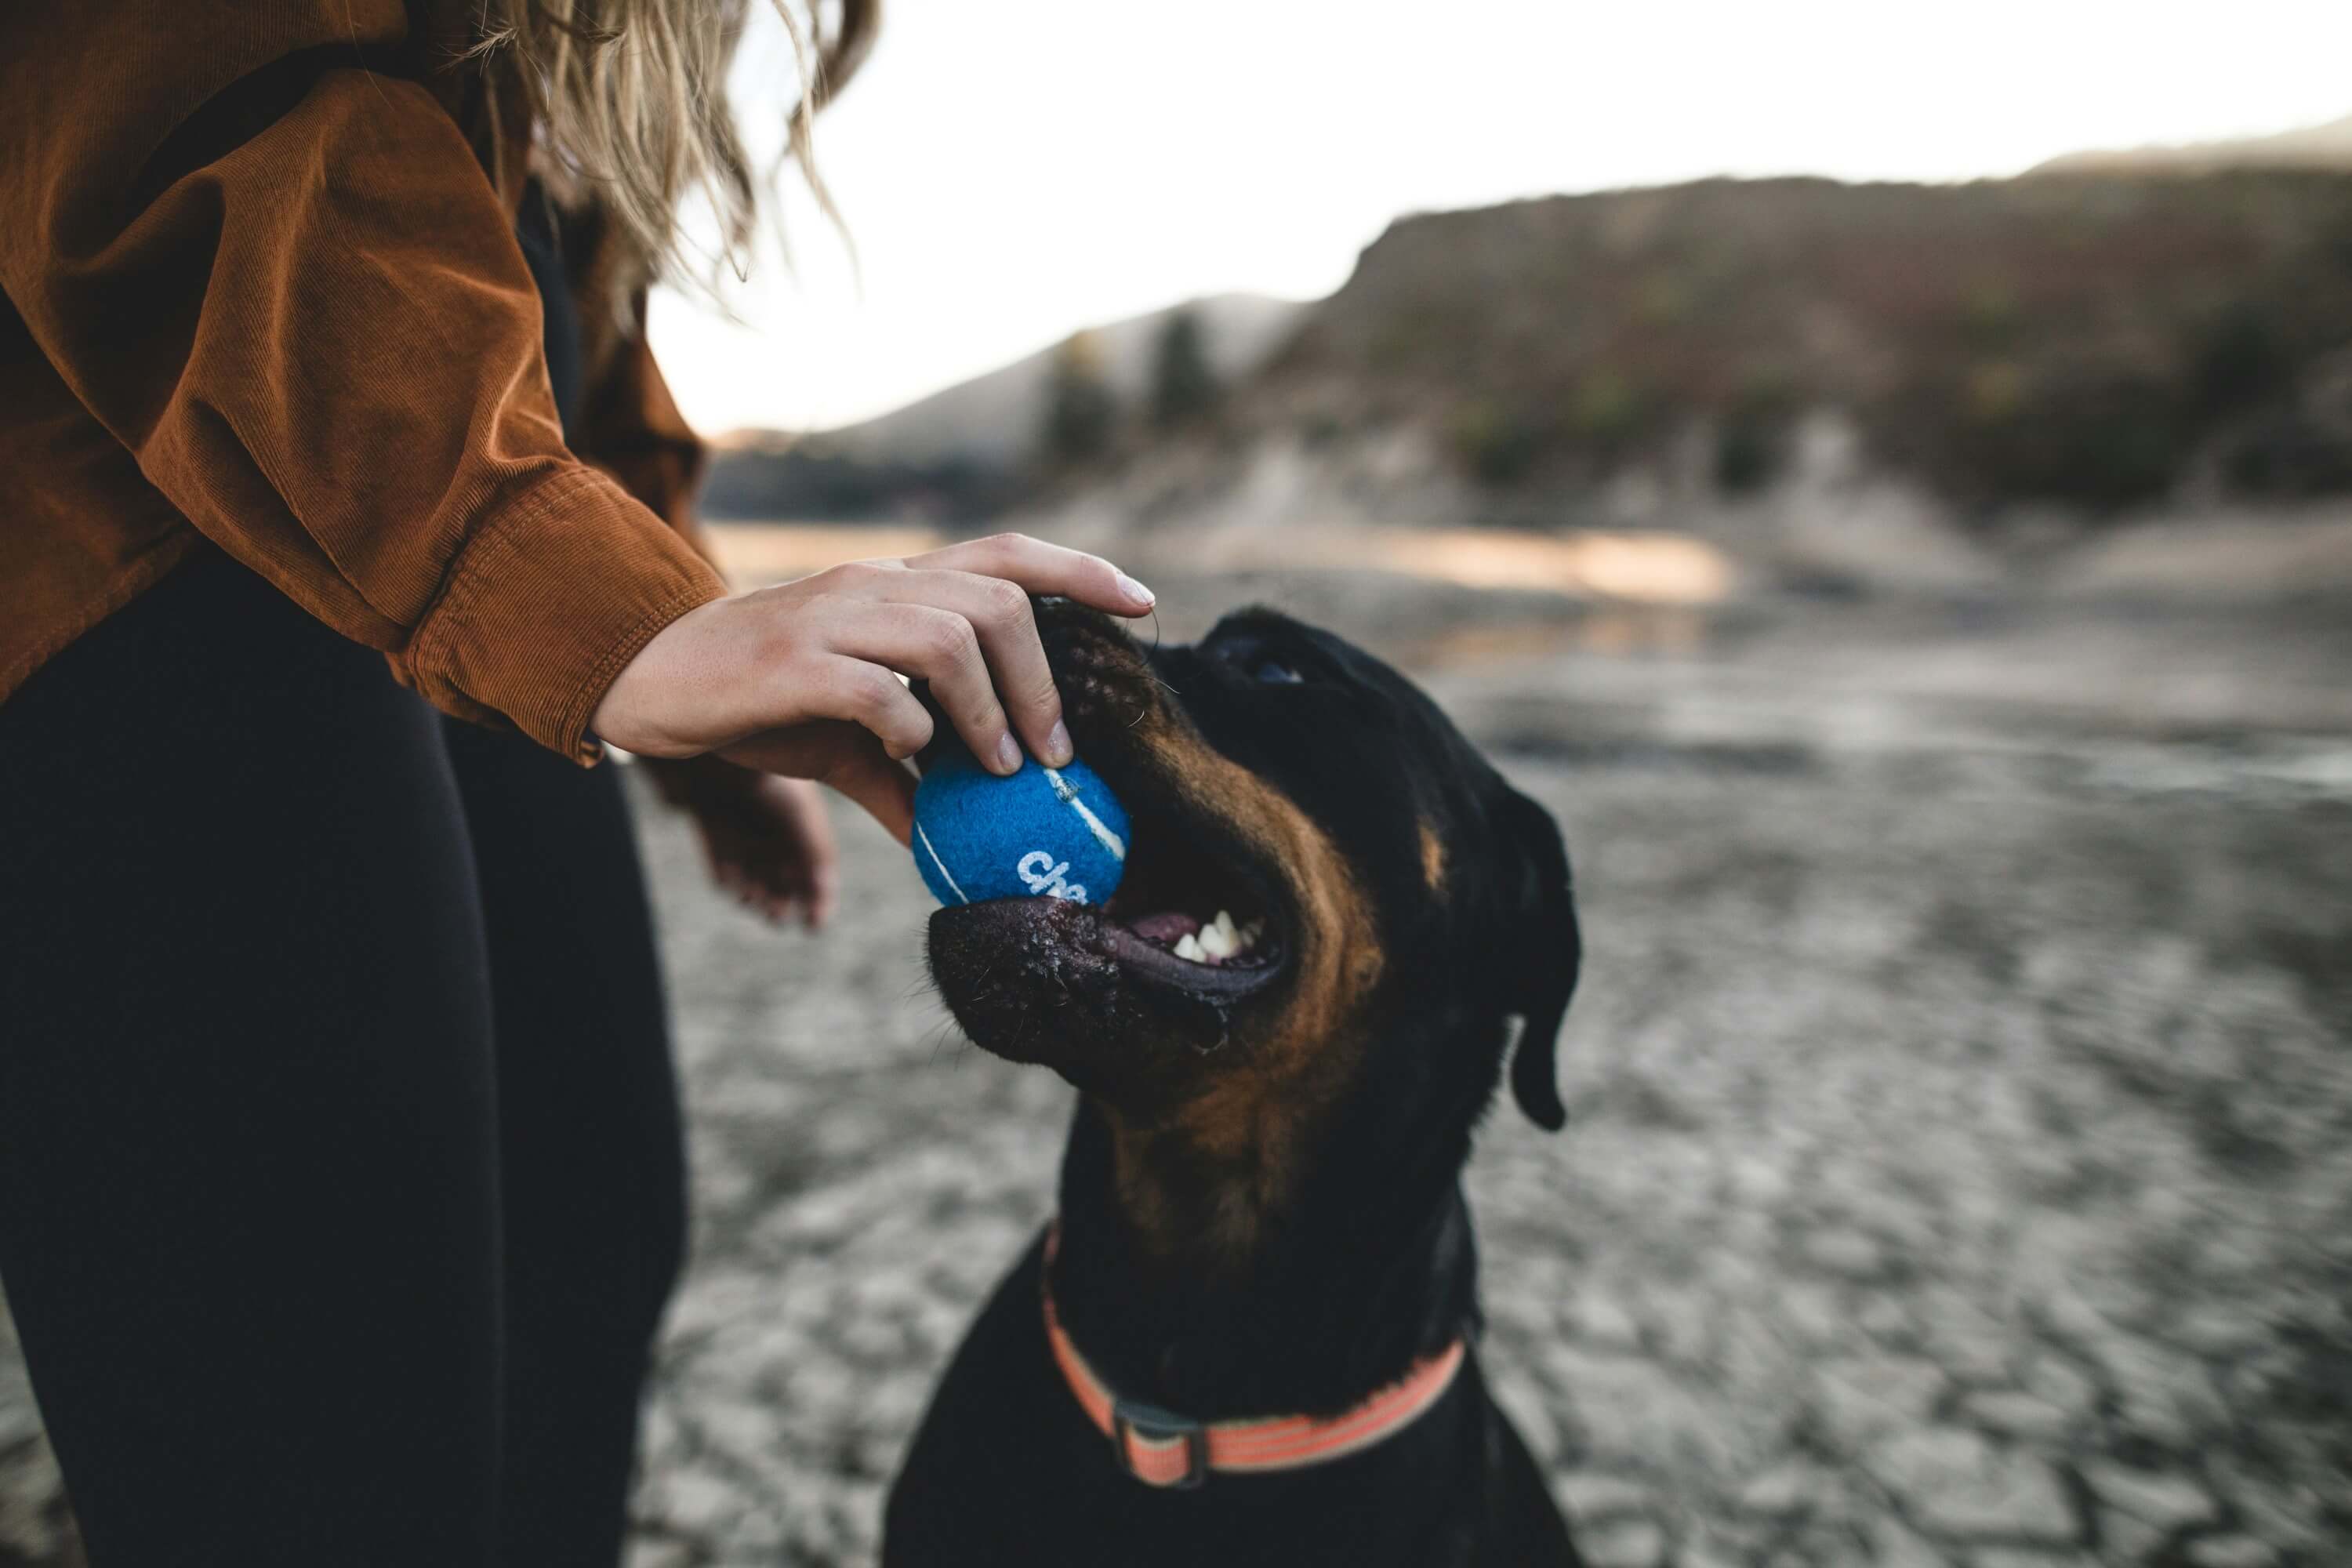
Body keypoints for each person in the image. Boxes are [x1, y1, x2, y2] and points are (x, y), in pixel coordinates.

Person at [0, 4, 1152, 1564]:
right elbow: (174, 100)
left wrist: (680, 650)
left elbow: (561, 294)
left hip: (407, 461)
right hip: (116, 514)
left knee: (588, 1237)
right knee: (330, 1434)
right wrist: (566, 588)